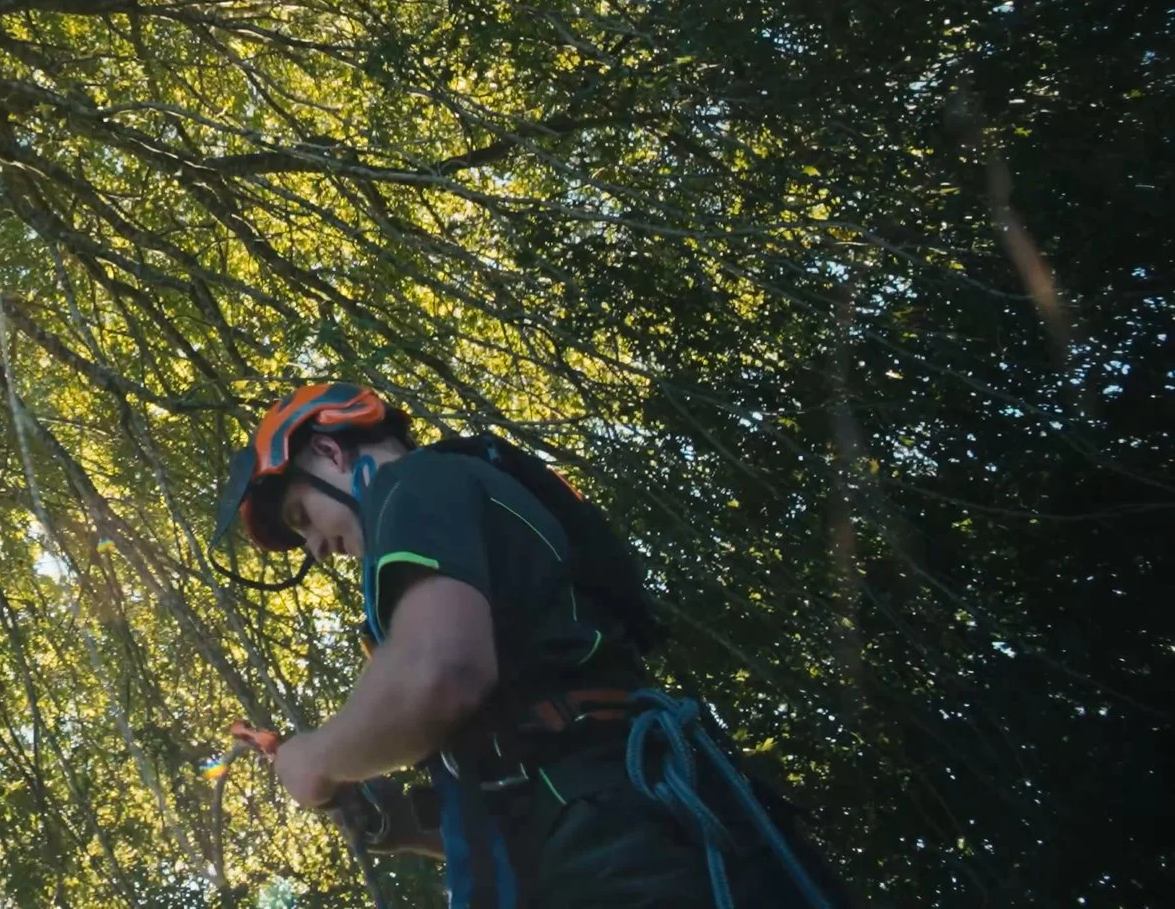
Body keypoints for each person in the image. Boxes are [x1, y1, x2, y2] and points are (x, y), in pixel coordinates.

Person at [212, 382, 851, 909]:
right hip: (618, 829)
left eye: (301, 519)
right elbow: (542, 762)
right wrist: (407, 825)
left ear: (331, 451)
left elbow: (442, 673)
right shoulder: (458, 506)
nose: (317, 549)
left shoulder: (413, 487)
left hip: (616, 854)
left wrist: (315, 758)